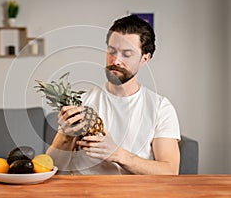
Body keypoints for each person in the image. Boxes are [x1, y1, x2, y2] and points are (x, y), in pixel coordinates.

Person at [46, 15, 180, 175]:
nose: (115, 61)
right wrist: (66, 137)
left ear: (145, 58)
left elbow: (170, 171)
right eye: (112, 51)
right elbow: (51, 167)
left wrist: (118, 154)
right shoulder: (82, 102)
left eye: (127, 54)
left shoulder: (160, 108)